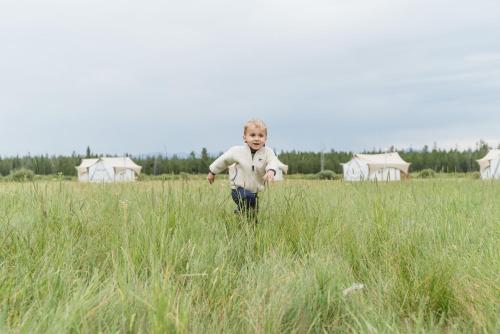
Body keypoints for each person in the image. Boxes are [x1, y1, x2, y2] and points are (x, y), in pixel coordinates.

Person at [207, 119, 279, 220]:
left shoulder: (268, 152)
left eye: (260, 136)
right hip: (238, 189)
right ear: (244, 137)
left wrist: (271, 170)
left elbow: (273, 161)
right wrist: (212, 172)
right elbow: (223, 160)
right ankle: (239, 212)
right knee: (248, 199)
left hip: (254, 192)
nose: (257, 139)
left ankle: (247, 228)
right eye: (252, 135)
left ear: (265, 138)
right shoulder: (237, 151)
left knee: (252, 215)